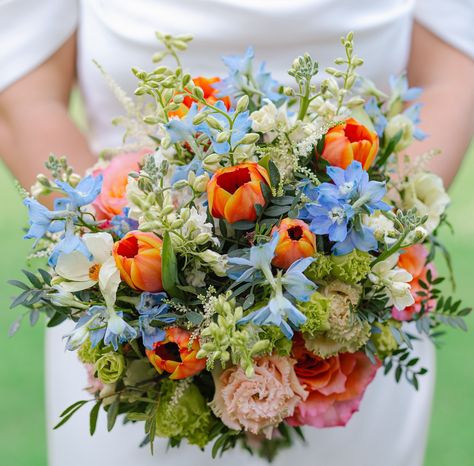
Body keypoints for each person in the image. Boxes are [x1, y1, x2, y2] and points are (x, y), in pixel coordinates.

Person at [0, 1, 472, 466]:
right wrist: (132, 264)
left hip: (355, 326)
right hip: (130, 314)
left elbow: (453, 72)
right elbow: (23, 89)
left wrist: (372, 244)